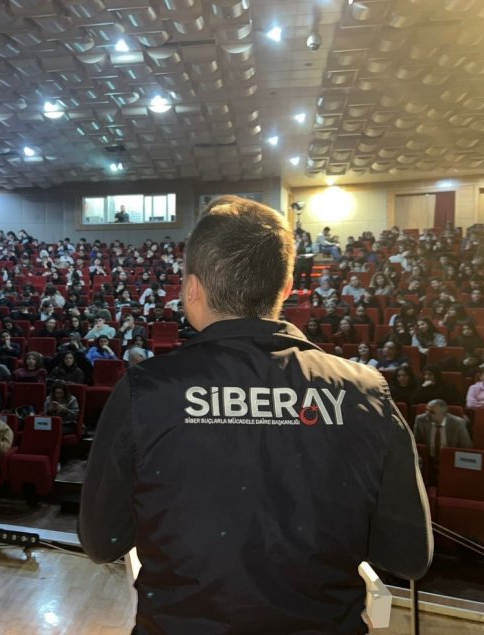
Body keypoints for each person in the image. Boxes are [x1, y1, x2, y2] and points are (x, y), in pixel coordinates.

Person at [79, 196, 431, 633]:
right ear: (285, 288)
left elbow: (102, 541)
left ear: (192, 288)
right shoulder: (365, 392)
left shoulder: (143, 390)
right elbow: (408, 555)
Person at [413, 399, 472, 482]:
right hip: (428, 461)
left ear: (443, 414)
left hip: (450, 461)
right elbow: (416, 444)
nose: (427, 414)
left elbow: (466, 447)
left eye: (432, 412)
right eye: (427, 410)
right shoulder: (420, 420)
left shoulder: (458, 423)